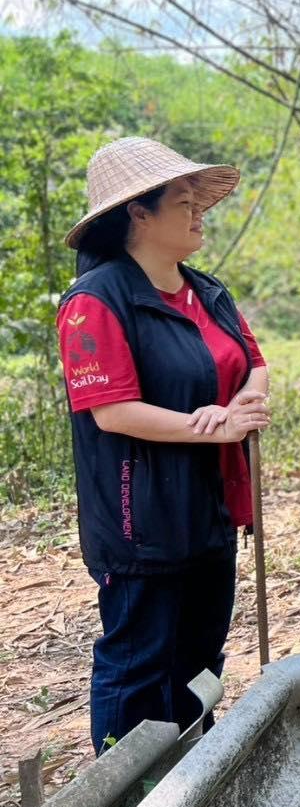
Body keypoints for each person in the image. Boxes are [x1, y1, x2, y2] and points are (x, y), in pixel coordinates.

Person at [57, 137, 270, 754]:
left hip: (211, 503)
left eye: (199, 201)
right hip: (139, 517)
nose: (199, 213)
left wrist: (243, 404)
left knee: (203, 647)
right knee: (138, 662)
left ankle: (193, 773)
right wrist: (214, 425)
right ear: (138, 214)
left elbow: (253, 361)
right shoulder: (94, 301)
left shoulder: (209, 292)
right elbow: (112, 411)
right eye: (183, 201)